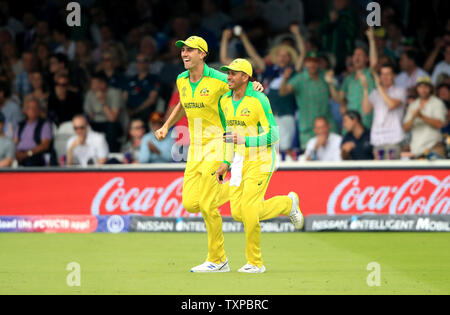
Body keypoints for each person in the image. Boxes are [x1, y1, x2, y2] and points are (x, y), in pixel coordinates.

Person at [154, 36, 264, 273]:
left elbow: (241, 84)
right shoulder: (181, 79)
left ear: (202, 54)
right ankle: (238, 189)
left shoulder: (218, 79)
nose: (184, 53)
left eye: (190, 50)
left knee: (206, 205)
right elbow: (183, 104)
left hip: (218, 143)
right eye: (183, 50)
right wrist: (166, 126)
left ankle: (218, 259)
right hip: (195, 148)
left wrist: (254, 86)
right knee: (190, 203)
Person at [215, 59, 303, 273]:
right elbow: (229, 136)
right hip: (238, 160)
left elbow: (274, 135)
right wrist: (226, 162)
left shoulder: (259, 99)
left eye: (233, 73)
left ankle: (255, 263)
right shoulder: (224, 101)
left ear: (245, 77)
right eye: (228, 73)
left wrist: (245, 141)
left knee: (250, 209)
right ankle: (286, 204)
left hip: (261, 159)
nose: (228, 76)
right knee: (238, 212)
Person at [279, 51, 338, 152]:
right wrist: (285, 79)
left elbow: (337, 99)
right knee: (309, 159)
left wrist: (331, 83)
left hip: (327, 128)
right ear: (305, 63)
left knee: (331, 159)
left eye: (315, 61)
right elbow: (282, 92)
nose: (312, 64)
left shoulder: (325, 76)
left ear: (319, 63)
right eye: (309, 61)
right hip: (308, 129)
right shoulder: (300, 78)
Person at [362, 64, 407, 160]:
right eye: (382, 74)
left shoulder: (400, 91)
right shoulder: (375, 92)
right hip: (377, 139)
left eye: (388, 74)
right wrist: (365, 89)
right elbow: (366, 110)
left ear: (394, 76)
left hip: (394, 139)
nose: (384, 77)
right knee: (379, 172)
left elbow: (391, 104)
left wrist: (378, 86)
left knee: (393, 171)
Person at [339, 28, 378, 129]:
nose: (356, 57)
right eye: (355, 55)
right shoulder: (348, 78)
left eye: (360, 55)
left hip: (365, 122)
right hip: (349, 123)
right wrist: (342, 104)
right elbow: (341, 97)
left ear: (367, 58)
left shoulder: (369, 74)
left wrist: (372, 41)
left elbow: (374, 64)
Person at [403, 77, 448, 158]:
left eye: (426, 87)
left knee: (435, 171)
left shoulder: (437, 103)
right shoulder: (413, 105)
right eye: (420, 87)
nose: (423, 89)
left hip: (434, 148)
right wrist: (413, 117)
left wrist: (421, 116)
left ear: (430, 88)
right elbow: (405, 128)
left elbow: (439, 124)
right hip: (417, 149)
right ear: (417, 89)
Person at [83, 71, 123, 152]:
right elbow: (90, 116)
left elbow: (112, 118)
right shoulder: (90, 94)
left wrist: (102, 101)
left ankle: (111, 153)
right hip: (96, 123)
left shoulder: (115, 93)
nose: (92, 86)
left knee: (111, 126)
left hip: (114, 125)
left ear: (103, 84)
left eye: (94, 83)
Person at [14, 98, 54, 167]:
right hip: (19, 154)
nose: (33, 110)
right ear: (26, 110)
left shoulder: (44, 124)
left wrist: (27, 154)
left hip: (35, 155)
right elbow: (14, 142)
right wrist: (16, 154)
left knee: (30, 162)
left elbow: (45, 145)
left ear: (39, 110)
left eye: (35, 108)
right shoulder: (21, 125)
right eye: (30, 108)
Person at [124, 54, 160, 122]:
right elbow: (124, 98)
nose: (141, 63)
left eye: (144, 61)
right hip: (129, 111)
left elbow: (152, 99)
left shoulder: (154, 79)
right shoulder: (131, 79)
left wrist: (135, 111)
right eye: (138, 61)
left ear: (148, 63)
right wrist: (127, 110)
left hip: (146, 111)